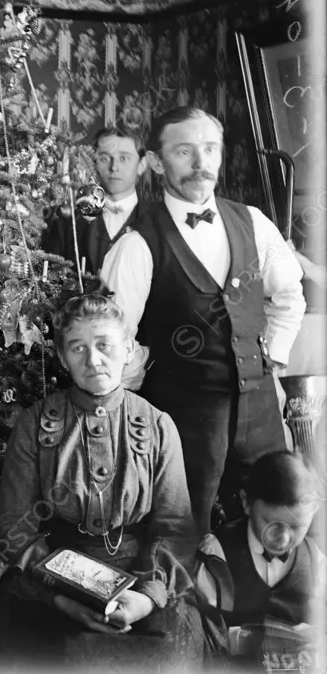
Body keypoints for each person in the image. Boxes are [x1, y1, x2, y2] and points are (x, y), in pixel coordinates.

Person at [101, 106, 306, 535]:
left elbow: (288, 296)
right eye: (184, 151)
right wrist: (147, 397)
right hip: (182, 420)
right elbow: (114, 339)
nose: (201, 163)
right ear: (156, 162)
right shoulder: (137, 244)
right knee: (182, 532)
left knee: (278, 522)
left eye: (210, 149)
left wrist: (276, 363)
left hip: (261, 410)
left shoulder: (252, 222)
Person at [0, 293, 203, 672]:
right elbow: (15, 526)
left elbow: (176, 528)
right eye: (78, 348)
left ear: (128, 348)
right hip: (53, 573)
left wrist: (147, 596)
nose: (93, 360)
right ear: (62, 358)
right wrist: (60, 597)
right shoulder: (34, 423)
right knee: (48, 646)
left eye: (105, 345)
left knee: (173, 637)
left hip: (140, 568)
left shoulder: (157, 426)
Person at [194, 451, 324, 669]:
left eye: (295, 527)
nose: (282, 539)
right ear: (246, 503)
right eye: (270, 523)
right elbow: (204, 636)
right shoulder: (217, 556)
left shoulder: (314, 560)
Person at [42, 126, 152, 274]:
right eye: (104, 158)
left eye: (124, 158)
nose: (114, 167)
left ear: (142, 165)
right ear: (93, 164)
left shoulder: (161, 223)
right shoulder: (67, 222)